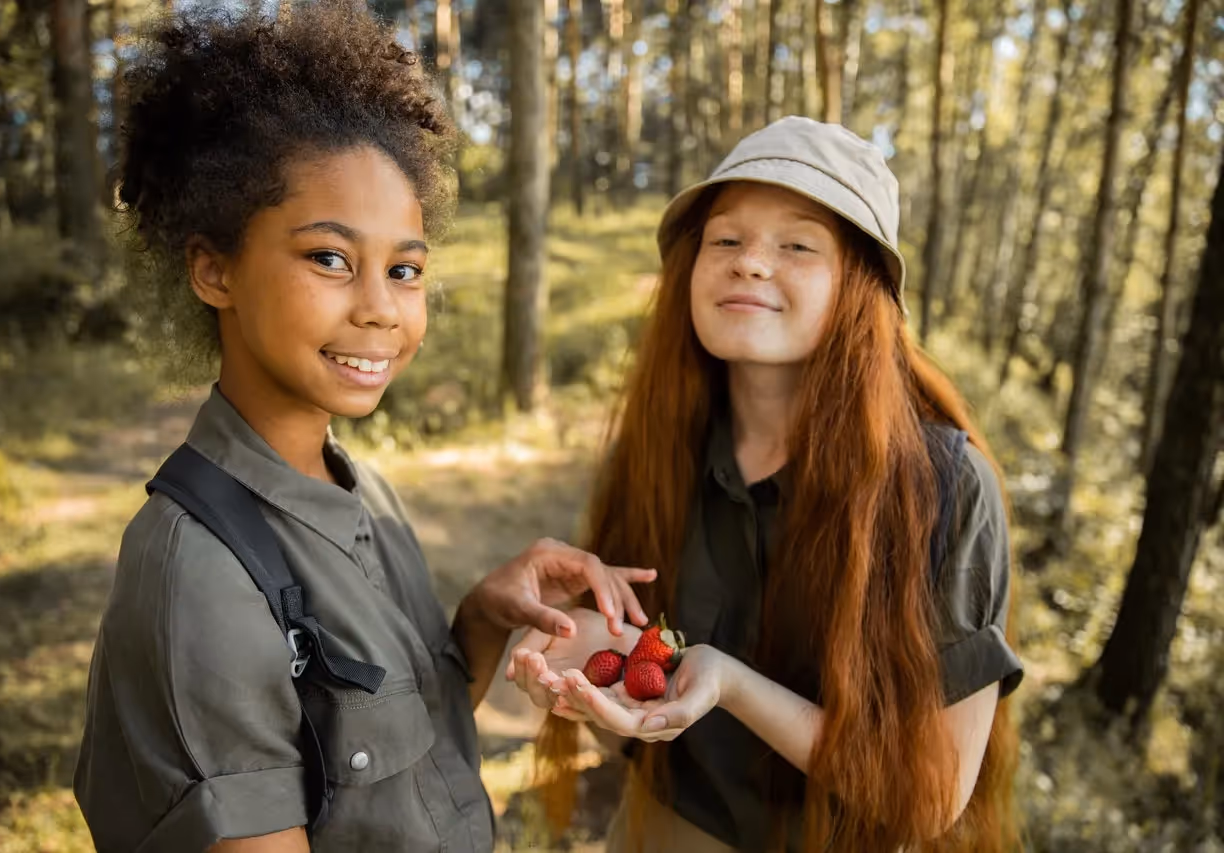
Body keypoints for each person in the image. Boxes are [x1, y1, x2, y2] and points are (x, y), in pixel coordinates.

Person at [72, 6, 654, 851]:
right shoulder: (200, 573)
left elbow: (397, 753)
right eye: (330, 259)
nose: (382, 308)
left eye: (406, 268)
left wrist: (486, 617)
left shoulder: (359, 487)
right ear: (214, 268)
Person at [508, 116, 1025, 852]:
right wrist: (587, 653)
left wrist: (733, 683)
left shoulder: (943, 486)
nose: (750, 262)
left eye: (798, 244)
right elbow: (642, 653)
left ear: (860, 286)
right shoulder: (663, 445)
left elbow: (931, 792)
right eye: (725, 239)